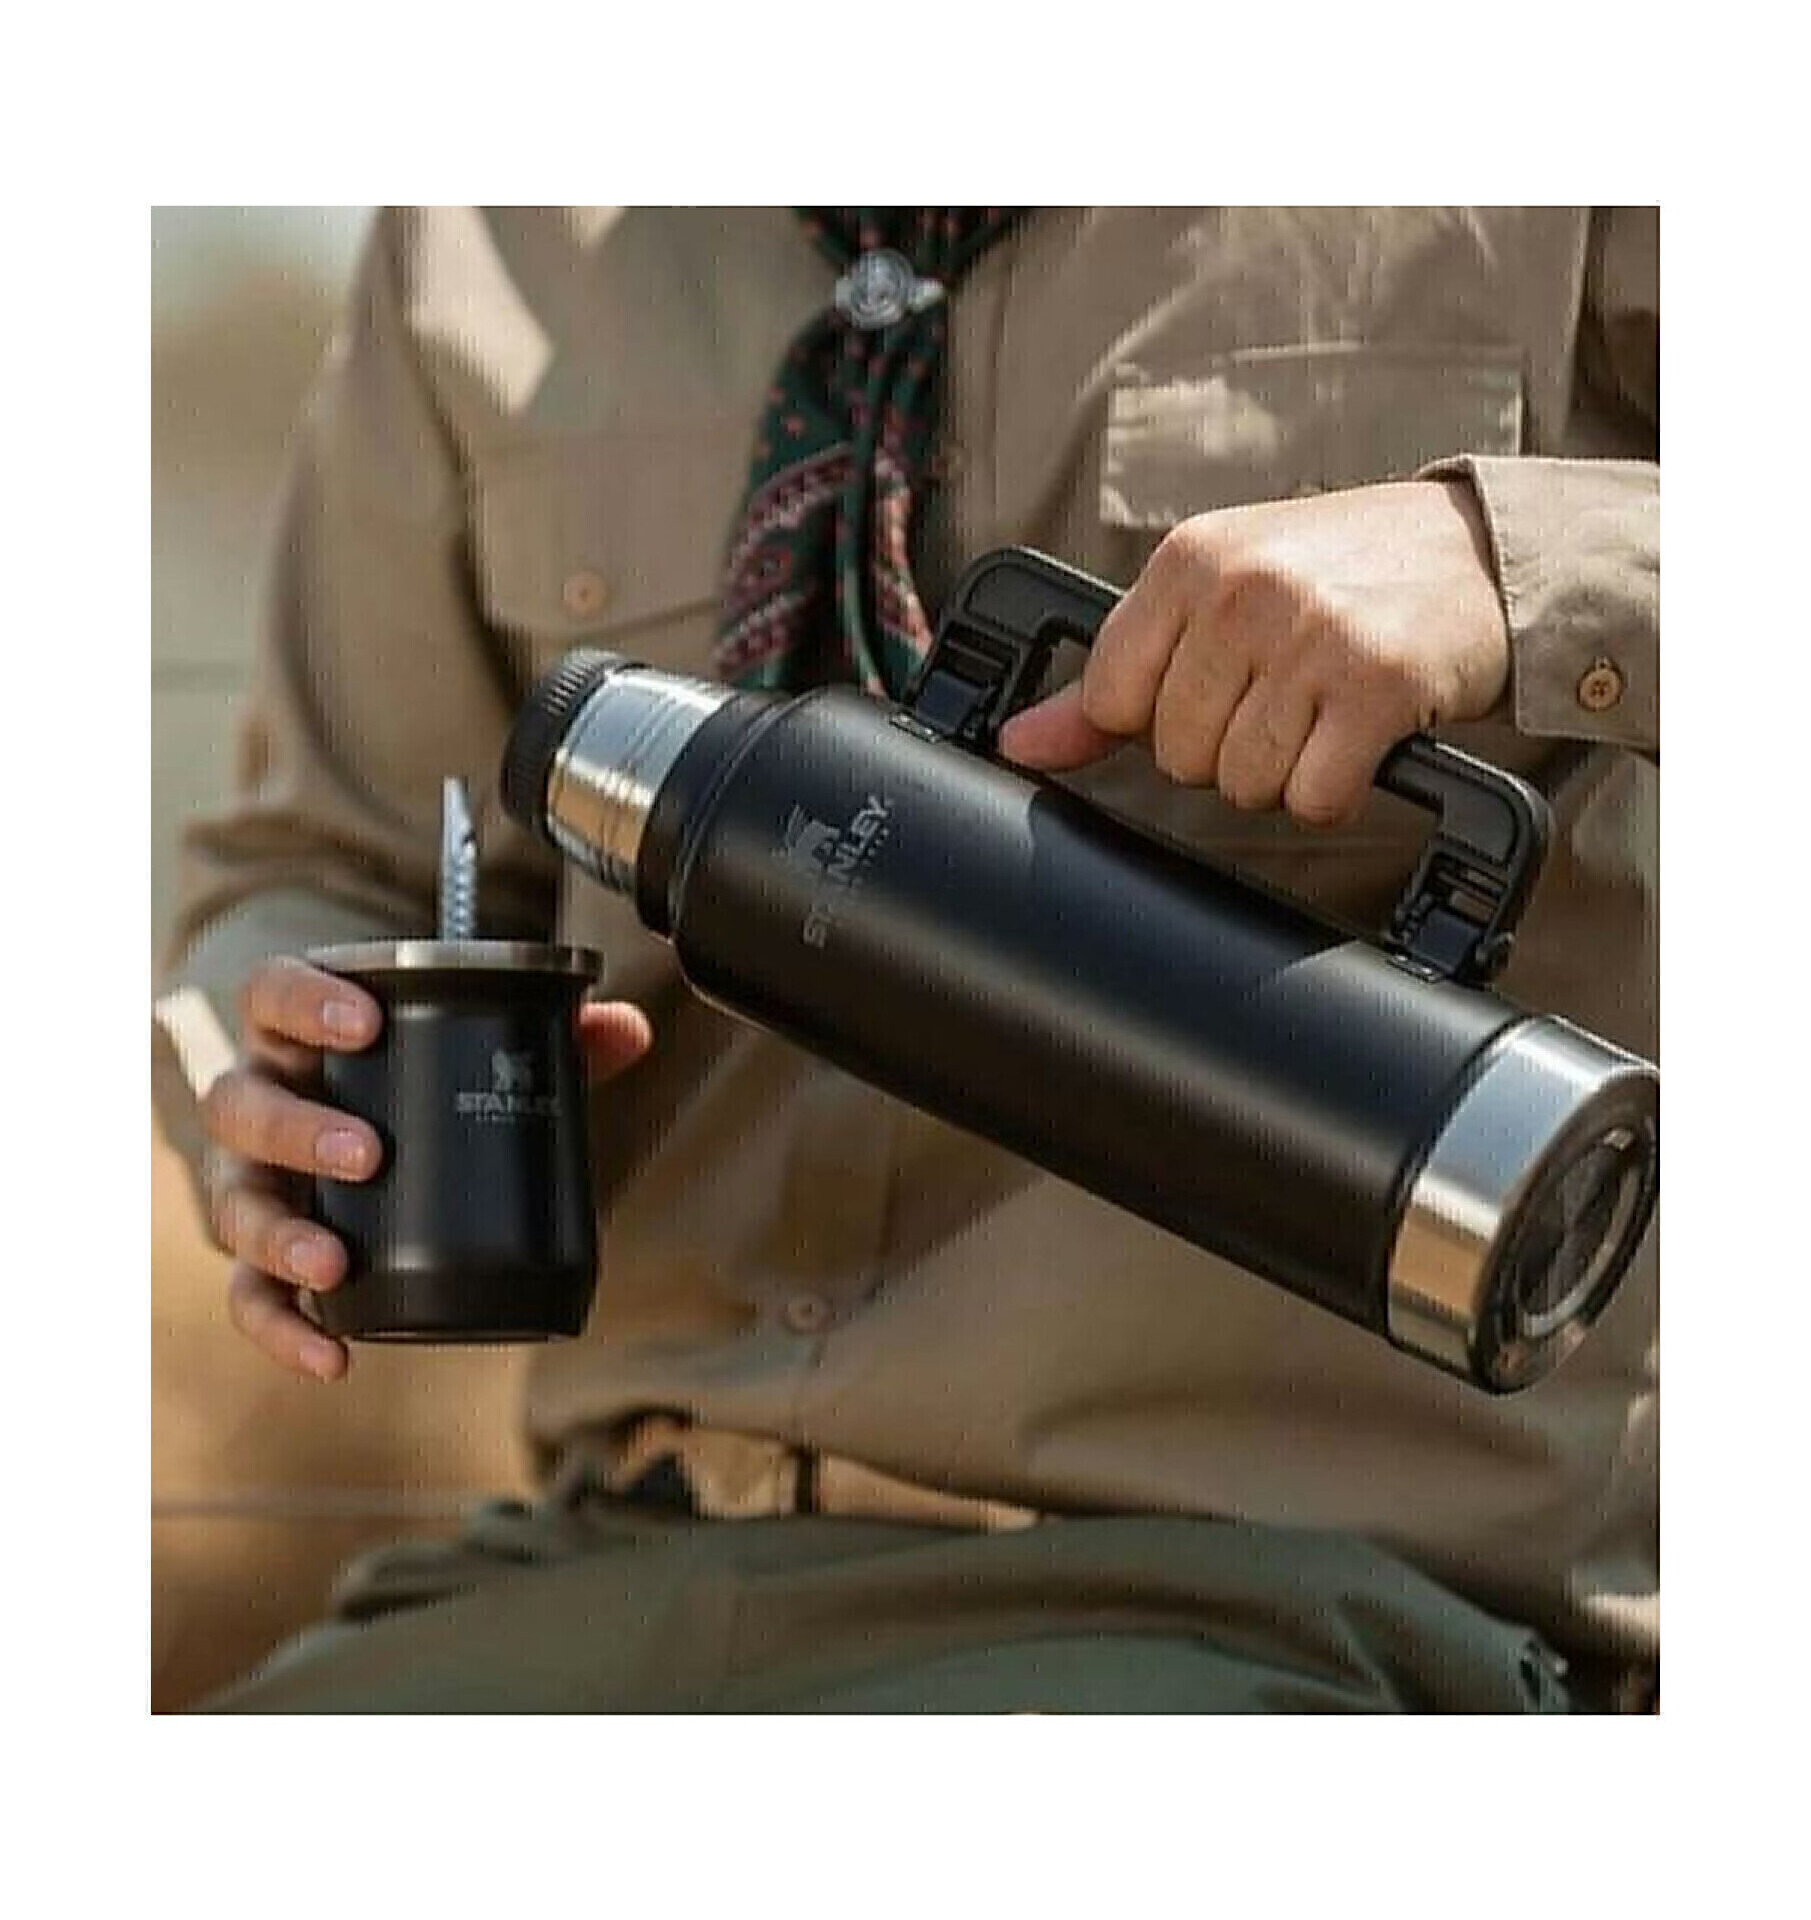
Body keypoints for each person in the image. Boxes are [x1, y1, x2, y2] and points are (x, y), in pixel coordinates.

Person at [152, 207, 1658, 1712]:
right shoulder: (490, 236)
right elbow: (321, 866)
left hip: (1282, 1601)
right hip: (621, 1562)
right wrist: (282, 1092)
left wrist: (1508, 566)